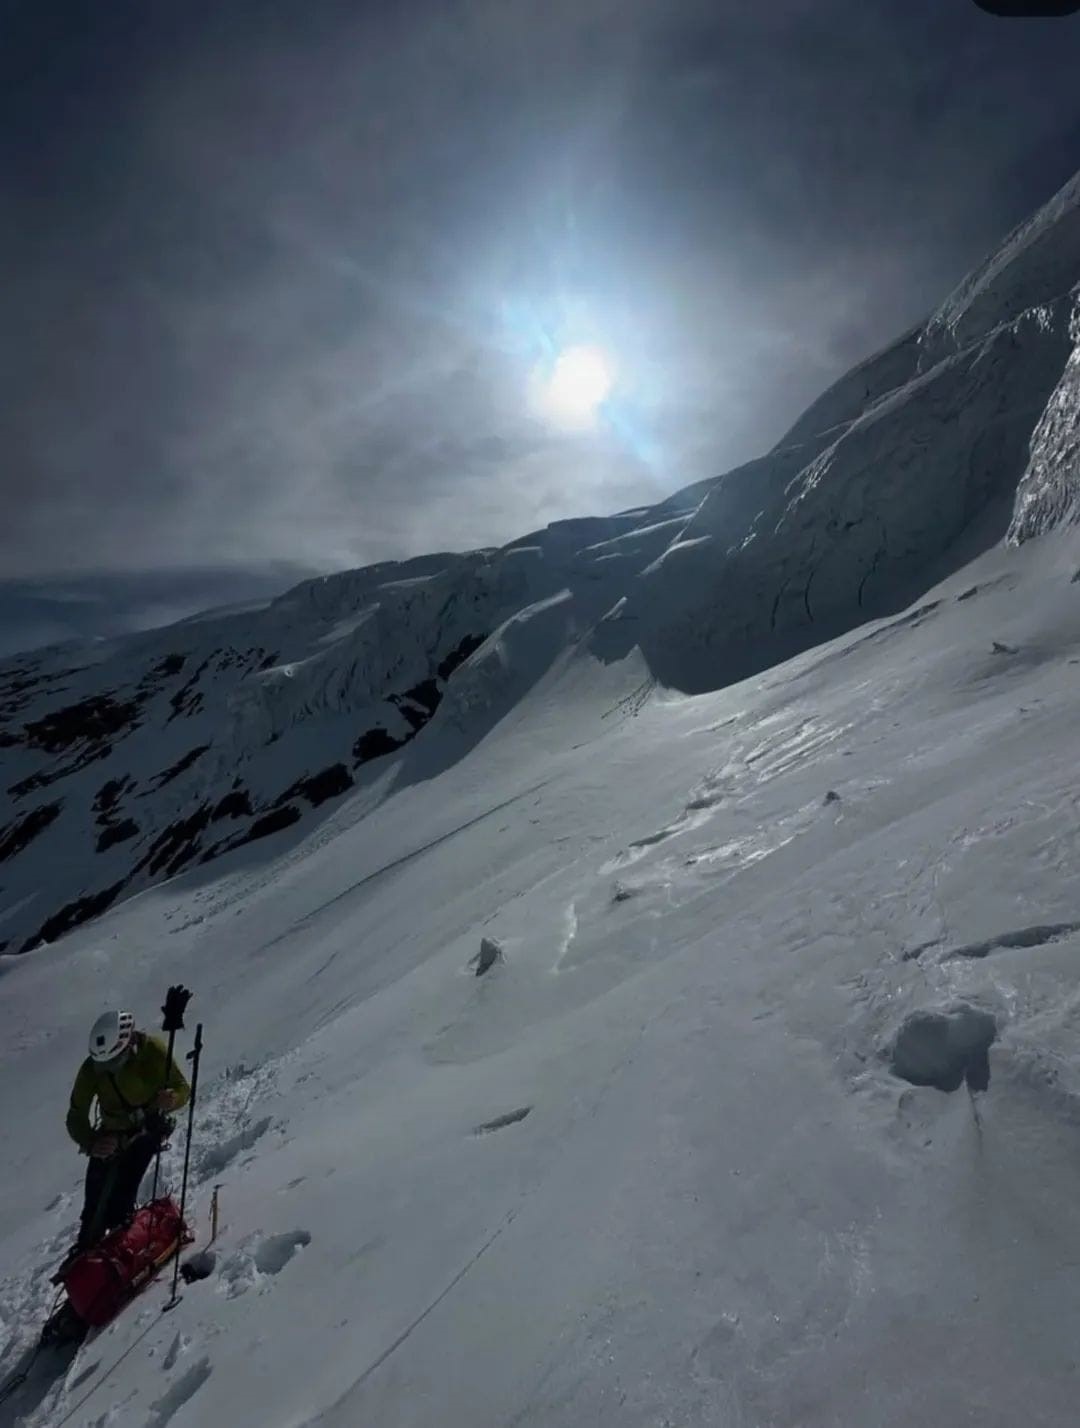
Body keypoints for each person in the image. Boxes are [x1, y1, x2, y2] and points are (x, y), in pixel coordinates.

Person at [65, 1009, 191, 1252]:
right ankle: (90, 1249)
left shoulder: (152, 1051)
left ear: (128, 1044)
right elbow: (75, 1116)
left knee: (121, 1198)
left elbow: (182, 1088)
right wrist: (92, 1143)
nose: (107, 1068)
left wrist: (172, 1099)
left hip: (148, 1128)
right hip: (111, 1133)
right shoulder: (92, 1068)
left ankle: (123, 1248)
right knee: (93, 1206)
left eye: (114, 1061)